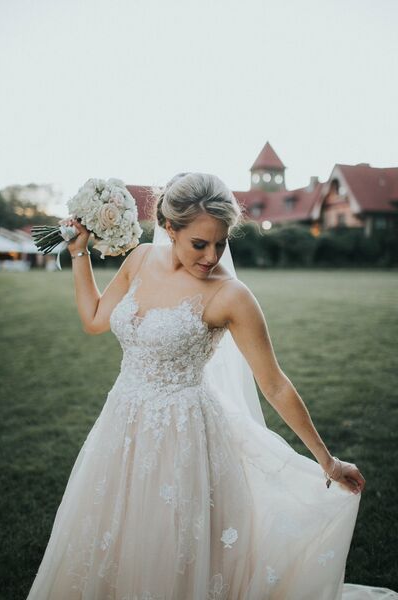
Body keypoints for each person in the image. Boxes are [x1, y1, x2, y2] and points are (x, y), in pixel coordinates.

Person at [26, 172, 397, 599]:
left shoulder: (231, 296)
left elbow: (273, 384)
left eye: (220, 243)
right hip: (121, 426)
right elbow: (94, 319)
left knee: (173, 555)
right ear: (169, 229)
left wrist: (327, 461)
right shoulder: (140, 260)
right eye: (199, 244)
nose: (211, 256)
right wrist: (79, 255)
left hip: (183, 440)